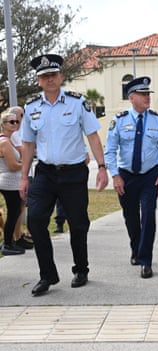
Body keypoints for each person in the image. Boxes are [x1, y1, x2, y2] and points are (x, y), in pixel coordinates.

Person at [19, 54, 109, 296]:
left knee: (78, 224)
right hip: (45, 173)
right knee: (36, 220)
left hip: (73, 173)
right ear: (38, 80)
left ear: (61, 76)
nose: (49, 80)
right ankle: (47, 274)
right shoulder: (31, 107)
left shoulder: (77, 103)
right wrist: (24, 177)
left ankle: (81, 268)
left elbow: (92, 136)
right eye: (44, 76)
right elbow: (27, 144)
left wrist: (102, 167)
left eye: (53, 75)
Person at [105, 76, 158, 279]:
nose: (147, 98)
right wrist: (115, 175)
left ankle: (146, 260)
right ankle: (136, 248)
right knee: (131, 216)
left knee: (149, 215)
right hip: (126, 175)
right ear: (131, 97)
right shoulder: (119, 120)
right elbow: (110, 150)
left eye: (148, 94)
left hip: (150, 175)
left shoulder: (157, 119)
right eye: (143, 95)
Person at [8, 106, 34, 250]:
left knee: (21, 208)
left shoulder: (20, 132)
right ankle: (15, 238)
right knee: (17, 209)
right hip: (19, 175)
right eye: (21, 116)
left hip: (25, 172)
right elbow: (24, 151)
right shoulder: (14, 134)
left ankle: (17, 237)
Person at [0, 113, 25, 255]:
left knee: (14, 212)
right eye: (11, 122)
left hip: (10, 181)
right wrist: (25, 163)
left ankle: (8, 241)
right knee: (14, 212)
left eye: (17, 121)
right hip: (9, 183)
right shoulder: (4, 142)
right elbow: (12, 165)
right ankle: (8, 244)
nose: (15, 124)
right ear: (3, 124)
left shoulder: (8, 141)